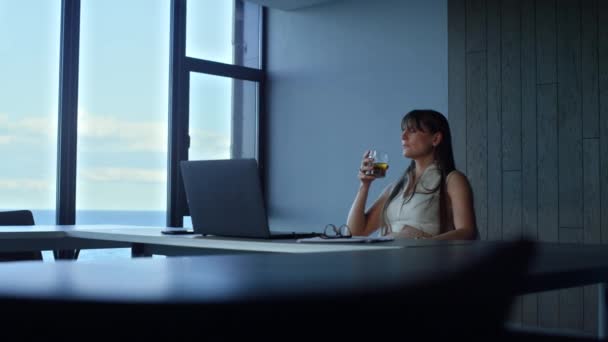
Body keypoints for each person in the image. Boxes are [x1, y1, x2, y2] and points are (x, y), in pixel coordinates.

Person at [346, 109, 477, 240]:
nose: (403, 136)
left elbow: (467, 231)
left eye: (412, 131)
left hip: (425, 259)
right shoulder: (395, 188)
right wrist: (364, 185)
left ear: (436, 139)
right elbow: (355, 232)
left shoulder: (452, 180)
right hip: (386, 257)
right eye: (403, 130)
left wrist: (424, 245)